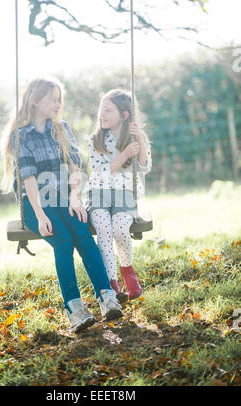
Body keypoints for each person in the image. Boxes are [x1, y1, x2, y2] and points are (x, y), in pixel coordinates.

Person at [0, 78, 123, 333]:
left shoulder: (62, 128)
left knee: (84, 237)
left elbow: (74, 165)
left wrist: (75, 197)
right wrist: (40, 214)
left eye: (59, 99)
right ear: (36, 100)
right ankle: (74, 308)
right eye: (52, 99)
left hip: (66, 199)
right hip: (35, 205)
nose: (58, 104)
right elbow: (29, 178)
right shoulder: (21, 135)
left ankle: (107, 297)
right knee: (64, 241)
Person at [84, 89, 152, 303]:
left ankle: (128, 271)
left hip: (125, 194)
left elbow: (144, 167)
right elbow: (102, 171)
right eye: (101, 109)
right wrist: (124, 155)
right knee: (103, 227)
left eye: (108, 110)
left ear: (124, 115)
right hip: (99, 193)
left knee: (121, 229)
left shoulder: (134, 137)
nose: (101, 114)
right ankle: (112, 283)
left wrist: (139, 139)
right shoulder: (95, 140)